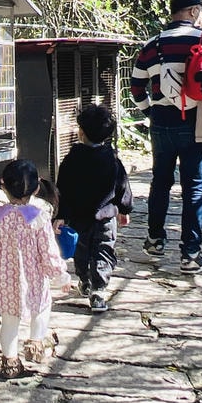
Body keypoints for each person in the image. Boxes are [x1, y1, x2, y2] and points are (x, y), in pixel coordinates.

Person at [130, 0, 202, 274]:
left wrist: (150, 111)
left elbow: (136, 87)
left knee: (160, 182)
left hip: (161, 121)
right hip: (197, 122)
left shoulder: (152, 44)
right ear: (194, 11)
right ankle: (190, 254)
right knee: (193, 189)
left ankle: (155, 240)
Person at [0, 160, 69, 378]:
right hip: (34, 280)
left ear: (3, 186)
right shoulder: (39, 218)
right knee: (42, 308)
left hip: (3, 282)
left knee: (9, 321)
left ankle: (10, 362)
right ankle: (35, 345)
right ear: (37, 188)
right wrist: (60, 276)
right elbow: (48, 253)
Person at [54, 103, 134, 314]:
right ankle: (99, 290)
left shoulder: (71, 160)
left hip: (78, 218)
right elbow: (122, 186)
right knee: (104, 250)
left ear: (81, 132)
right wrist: (124, 210)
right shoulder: (112, 160)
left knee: (82, 251)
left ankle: (85, 279)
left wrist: (61, 215)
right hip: (106, 217)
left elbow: (62, 189)